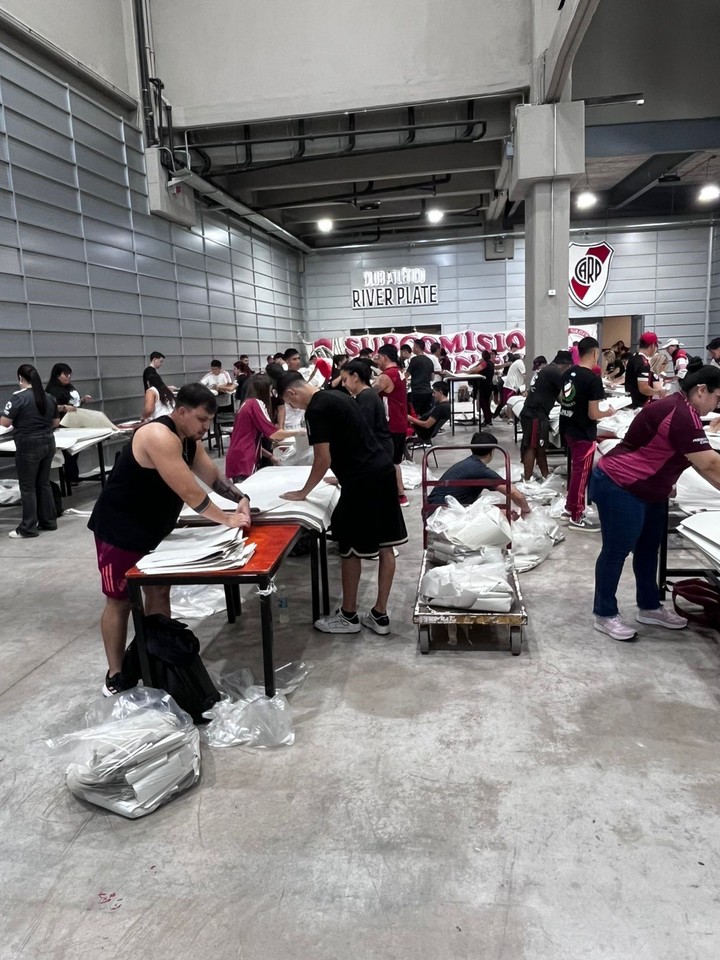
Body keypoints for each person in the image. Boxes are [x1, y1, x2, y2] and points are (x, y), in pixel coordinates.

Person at [88, 383, 251, 695]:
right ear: (181, 412)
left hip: (154, 528)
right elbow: (190, 492)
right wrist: (227, 518)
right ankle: (116, 672)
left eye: (209, 421)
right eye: (202, 419)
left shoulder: (189, 439)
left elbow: (213, 478)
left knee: (159, 591)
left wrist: (240, 498)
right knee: (120, 600)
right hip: (120, 529)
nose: (207, 427)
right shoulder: (157, 436)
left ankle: (156, 658)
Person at [590, 359, 720, 641]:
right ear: (701, 390)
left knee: (648, 549)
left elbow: (684, 456)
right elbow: (709, 464)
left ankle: (649, 606)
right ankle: (605, 613)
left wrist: (666, 481)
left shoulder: (684, 409)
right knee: (616, 551)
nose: (717, 404)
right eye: (717, 397)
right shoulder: (680, 414)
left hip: (651, 489)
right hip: (621, 484)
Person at [277, 372, 407, 636]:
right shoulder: (339, 396)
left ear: (292, 393)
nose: (293, 407)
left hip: (362, 482)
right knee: (386, 546)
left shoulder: (316, 409)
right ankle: (380, 615)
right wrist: (344, 472)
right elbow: (355, 438)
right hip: (381, 471)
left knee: (349, 546)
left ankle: (348, 616)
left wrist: (304, 492)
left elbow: (322, 458)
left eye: (290, 403)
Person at [559, 337, 618, 532]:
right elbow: (593, 413)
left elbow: (566, 400)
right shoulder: (592, 378)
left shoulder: (569, 373)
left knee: (576, 471)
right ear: (594, 353)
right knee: (581, 474)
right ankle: (577, 515)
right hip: (583, 431)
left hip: (567, 427)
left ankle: (569, 508)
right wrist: (609, 412)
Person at [1, 364, 59, 539]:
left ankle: (28, 527)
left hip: (28, 444)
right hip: (49, 442)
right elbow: (56, 423)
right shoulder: (48, 397)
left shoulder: (18, 397)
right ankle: (49, 521)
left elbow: (5, 422)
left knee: (27, 487)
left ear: (20, 378)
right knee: (44, 483)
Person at [428, 431, 530, 514]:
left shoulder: (468, 463)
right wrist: (528, 512)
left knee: (500, 511)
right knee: (500, 516)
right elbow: (514, 493)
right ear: (491, 452)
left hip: (432, 509)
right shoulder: (481, 471)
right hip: (442, 515)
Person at [225, 373, 302, 481]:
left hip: (238, 456)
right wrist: (299, 432)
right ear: (264, 390)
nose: (271, 395)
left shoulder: (246, 403)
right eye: (270, 391)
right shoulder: (255, 404)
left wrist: (270, 456)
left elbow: (247, 439)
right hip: (244, 458)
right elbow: (274, 434)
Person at [519, 350, 572, 482]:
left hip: (532, 412)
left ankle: (546, 475)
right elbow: (565, 395)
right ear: (564, 365)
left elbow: (558, 397)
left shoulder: (548, 369)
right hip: (535, 414)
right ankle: (527, 480)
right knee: (531, 446)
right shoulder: (556, 373)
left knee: (539, 446)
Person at [46, 363, 92, 485]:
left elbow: (73, 404)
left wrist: (82, 400)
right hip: (62, 425)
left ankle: (73, 477)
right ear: (57, 376)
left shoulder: (69, 387)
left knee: (75, 452)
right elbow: (49, 407)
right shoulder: (52, 390)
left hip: (74, 423)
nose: (68, 376)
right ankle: (71, 478)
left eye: (69, 374)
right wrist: (63, 408)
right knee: (68, 453)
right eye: (65, 374)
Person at [375, 344, 409, 507]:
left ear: (384, 357)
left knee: (386, 462)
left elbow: (366, 392)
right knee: (395, 462)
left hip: (390, 425)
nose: (376, 361)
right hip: (400, 423)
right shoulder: (400, 373)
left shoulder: (386, 376)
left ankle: (396, 495)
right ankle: (400, 494)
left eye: (378, 358)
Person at [340, 359, 393, 461]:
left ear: (355, 377)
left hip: (377, 451)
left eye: (345, 379)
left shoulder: (367, 397)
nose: (343, 384)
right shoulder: (365, 395)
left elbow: (363, 430)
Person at [625, 333, 666, 408]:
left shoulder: (633, 357)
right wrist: (659, 392)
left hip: (629, 400)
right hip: (638, 404)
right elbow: (643, 388)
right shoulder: (643, 363)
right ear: (652, 345)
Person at [465, 350, 495, 427]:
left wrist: (467, 372)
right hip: (489, 385)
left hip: (484, 386)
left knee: (484, 403)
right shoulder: (491, 363)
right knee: (486, 404)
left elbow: (475, 370)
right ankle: (488, 420)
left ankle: (487, 420)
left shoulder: (485, 363)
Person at [405, 338, 434, 415]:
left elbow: (406, 375)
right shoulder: (429, 361)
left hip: (417, 392)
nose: (412, 348)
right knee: (426, 414)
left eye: (413, 346)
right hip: (428, 391)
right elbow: (432, 377)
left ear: (417, 347)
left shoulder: (414, 360)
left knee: (416, 414)